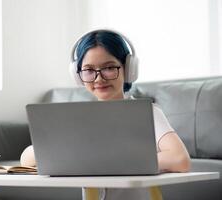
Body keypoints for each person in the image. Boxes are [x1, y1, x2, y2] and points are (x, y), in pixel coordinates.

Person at [20, 29, 191, 200]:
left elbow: (180, 159)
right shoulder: (77, 119)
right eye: (88, 70)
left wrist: (113, 161)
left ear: (129, 68)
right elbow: (26, 160)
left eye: (109, 68)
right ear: (78, 75)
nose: (98, 79)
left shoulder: (149, 113)